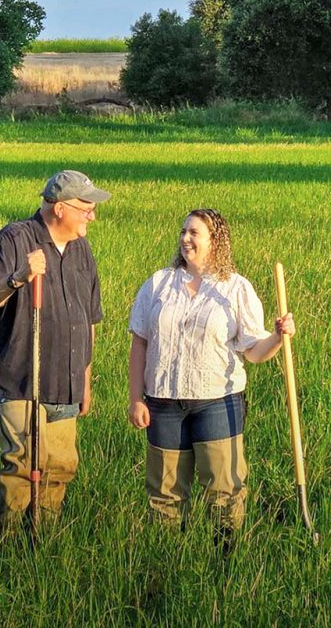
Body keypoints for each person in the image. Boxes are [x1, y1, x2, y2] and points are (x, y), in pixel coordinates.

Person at [127, 208, 295, 539]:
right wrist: (136, 398)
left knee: (224, 488)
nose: (185, 239)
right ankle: (168, 554)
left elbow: (254, 351)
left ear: (215, 241)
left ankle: (225, 555)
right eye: (183, 232)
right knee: (164, 491)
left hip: (217, 402)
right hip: (162, 402)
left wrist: (277, 336)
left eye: (194, 233)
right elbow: (139, 344)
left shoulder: (235, 289)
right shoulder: (159, 283)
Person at [0, 170, 110, 535]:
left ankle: (42, 540)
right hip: (19, 375)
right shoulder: (16, 239)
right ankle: (6, 542)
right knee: (21, 463)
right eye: (86, 208)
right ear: (60, 208)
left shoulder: (82, 249)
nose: (92, 215)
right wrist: (18, 277)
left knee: (60, 466)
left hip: (65, 378)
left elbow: (89, 318)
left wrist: (85, 381)